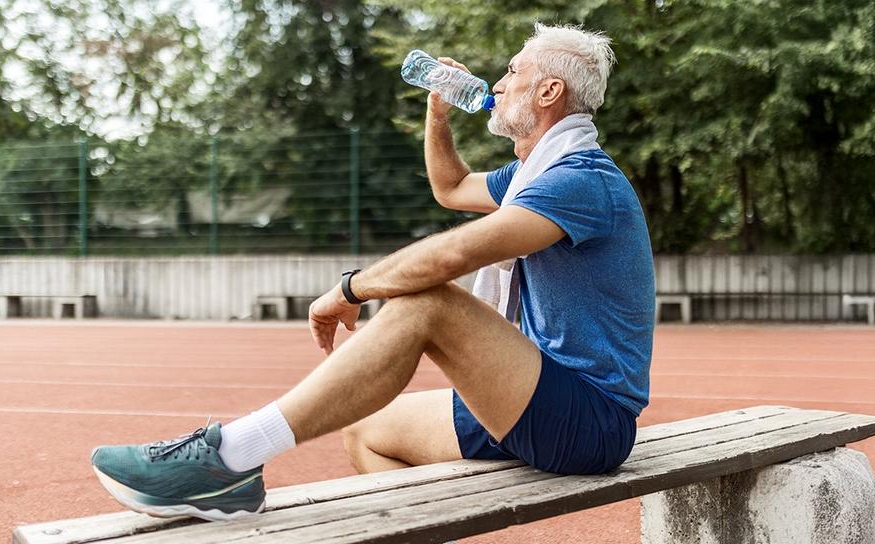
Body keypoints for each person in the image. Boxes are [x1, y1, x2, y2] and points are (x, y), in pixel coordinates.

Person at [89, 23, 655, 521]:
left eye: (513, 71)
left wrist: (348, 289)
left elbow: (449, 259)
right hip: (535, 396)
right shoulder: (535, 172)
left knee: (429, 301)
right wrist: (437, 115)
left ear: (549, 90)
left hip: (589, 421)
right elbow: (452, 188)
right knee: (365, 431)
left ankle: (227, 457)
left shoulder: (580, 179)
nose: (499, 83)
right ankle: (235, 481)